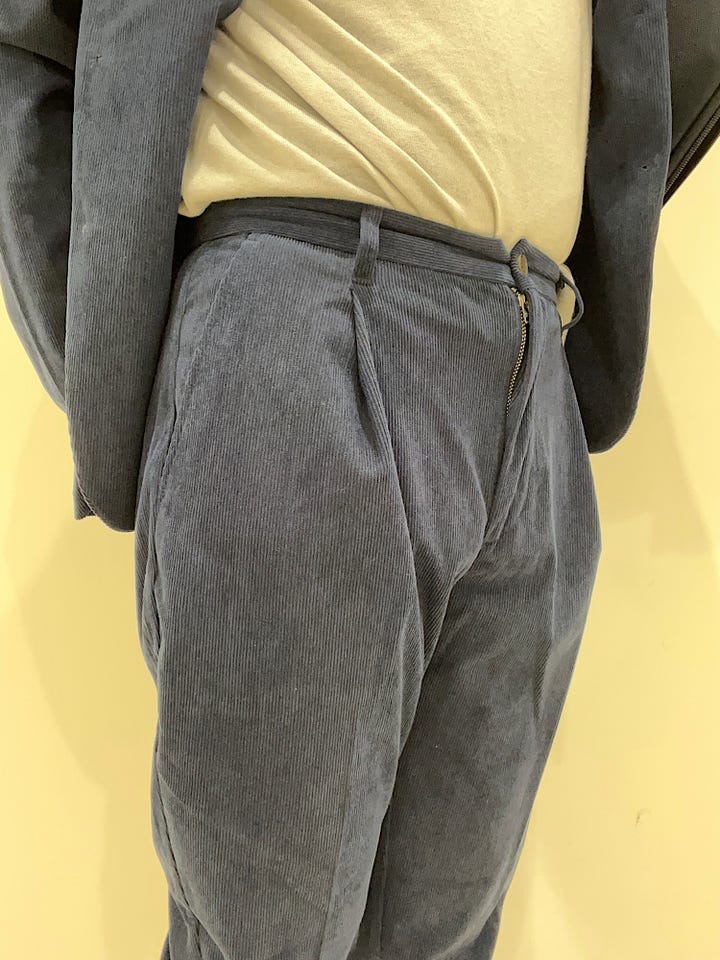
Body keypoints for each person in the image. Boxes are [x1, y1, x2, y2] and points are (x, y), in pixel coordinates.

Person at [1, 2, 718, 958]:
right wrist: (124, 361)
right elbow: (29, 41)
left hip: (534, 355)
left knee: (445, 938)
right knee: (263, 938)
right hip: (309, 310)